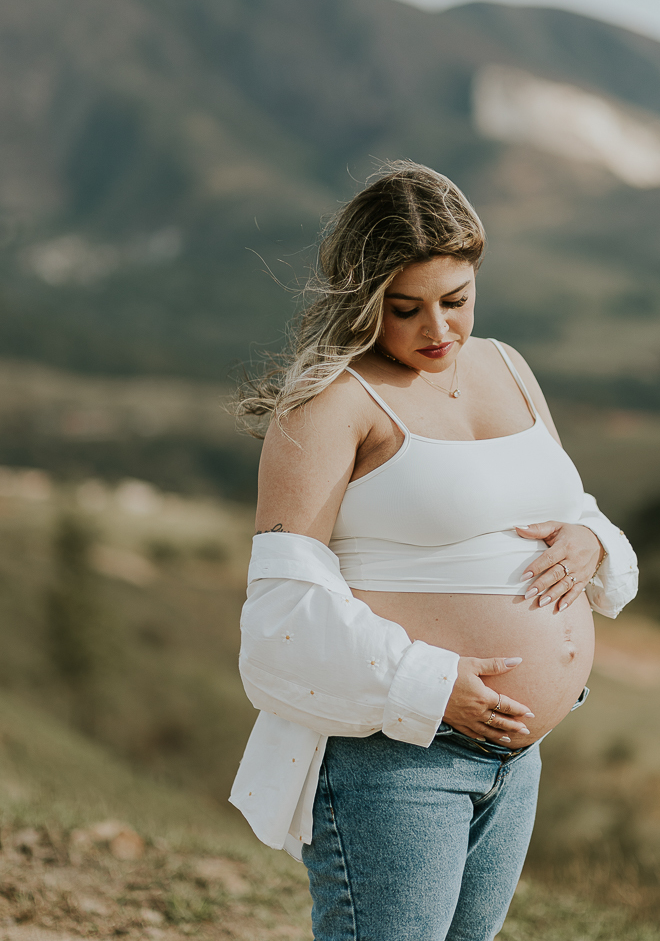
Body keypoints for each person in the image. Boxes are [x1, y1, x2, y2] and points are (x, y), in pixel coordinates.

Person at [230, 161, 638, 941]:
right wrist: (433, 684)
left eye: (456, 301)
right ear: (362, 298)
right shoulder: (332, 402)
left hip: (517, 762)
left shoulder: (508, 366)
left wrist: (590, 542)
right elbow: (282, 610)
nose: (439, 331)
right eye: (405, 308)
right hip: (400, 757)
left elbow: (570, 506)